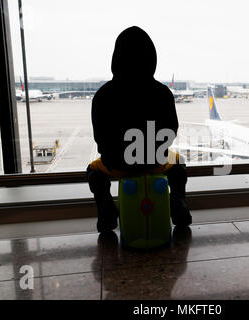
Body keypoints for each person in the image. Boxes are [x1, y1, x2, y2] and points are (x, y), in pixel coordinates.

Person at [86, 26, 192, 233]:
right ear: (152, 58)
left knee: (93, 171)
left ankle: (106, 210)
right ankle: (178, 204)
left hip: (116, 163)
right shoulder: (162, 93)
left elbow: (99, 136)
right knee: (178, 165)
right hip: (154, 161)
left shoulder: (103, 94)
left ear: (116, 58)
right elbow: (171, 130)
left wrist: (114, 154)